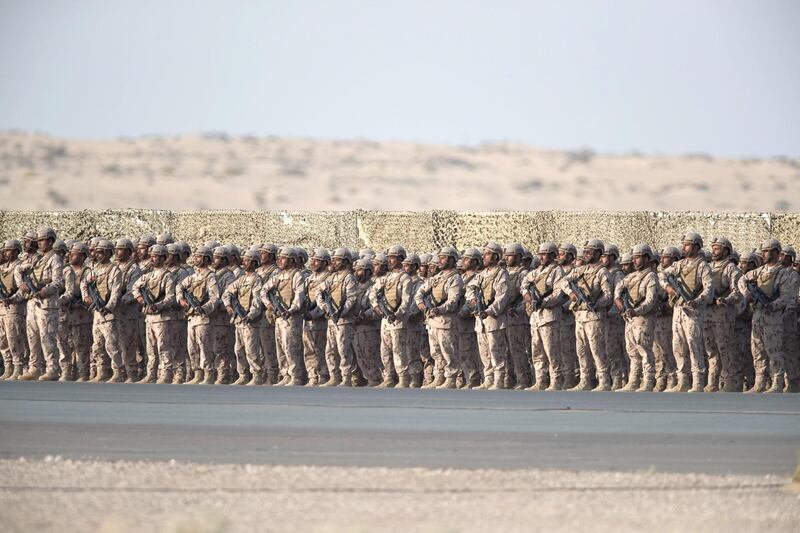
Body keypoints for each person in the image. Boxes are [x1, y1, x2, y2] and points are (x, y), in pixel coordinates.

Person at [663, 232, 713, 392]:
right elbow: (662, 275)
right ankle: (683, 380)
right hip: (678, 310)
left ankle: (698, 380)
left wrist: (696, 300)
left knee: (694, 344)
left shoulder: (703, 266)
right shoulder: (680, 265)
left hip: (694, 311)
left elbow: (709, 290)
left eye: (687, 244)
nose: (684, 247)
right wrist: (668, 288)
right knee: (678, 345)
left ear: (696, 246)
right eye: (683, 244)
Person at [415, 246, 464, 389]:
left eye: (444, 258)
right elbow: (420, 293)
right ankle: (439, 376)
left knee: (449, 352)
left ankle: (452, 378)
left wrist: (439, 309)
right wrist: (423, 306)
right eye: (440, 257)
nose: (440, 260)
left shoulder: (455, 278)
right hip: (432, 321)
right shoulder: (436, 278)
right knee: (435, 352)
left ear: (452, 260)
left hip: (446, 321)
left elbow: (453, 302)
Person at [521, 242, 565, 390]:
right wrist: (528, 297)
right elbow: (524, 284)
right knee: (537, 350)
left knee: (552, 351)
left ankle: (556, 380)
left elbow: (558, 293)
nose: (541, 257)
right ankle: (540, 380)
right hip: (535, 317)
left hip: (549, 316)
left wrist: (543, 302)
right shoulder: (536, 272)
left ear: (552, 255)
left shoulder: (557, 271)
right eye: (540, 254)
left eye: (544, 254)